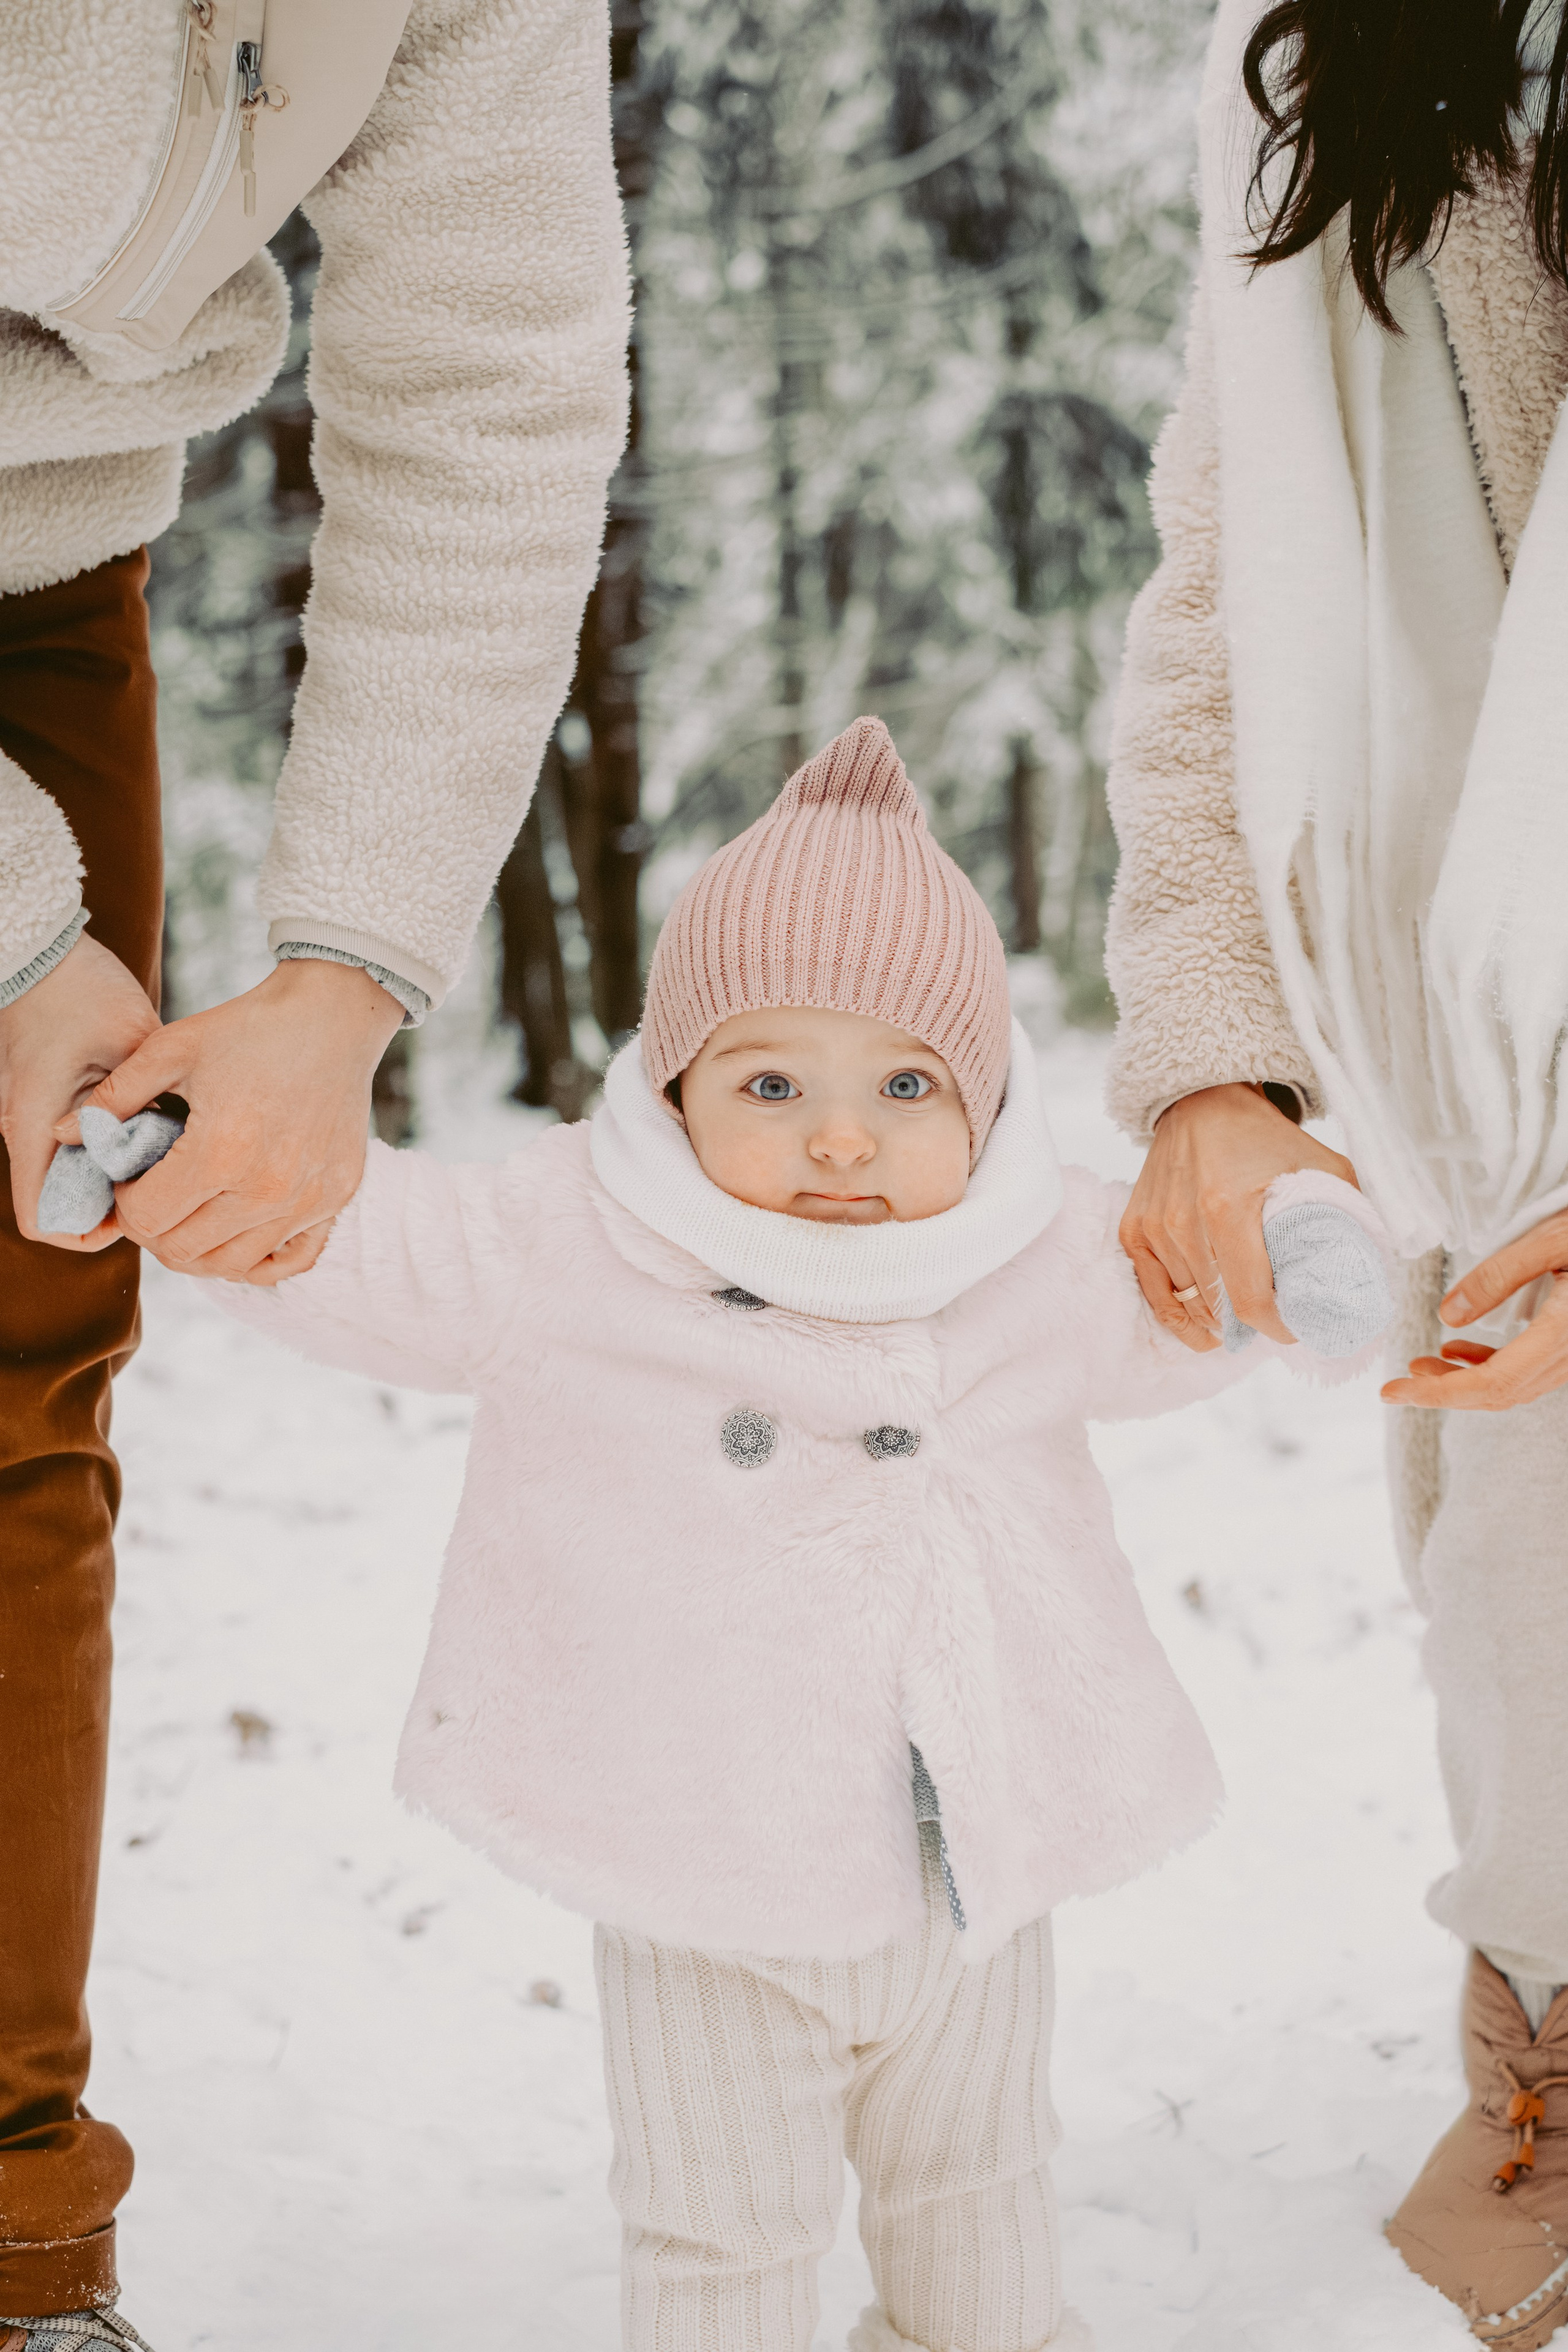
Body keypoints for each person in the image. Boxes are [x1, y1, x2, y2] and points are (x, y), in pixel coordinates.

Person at [197, 717, 1389, 2352]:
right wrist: (180, 1163)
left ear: (981, 1101)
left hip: (975, 1869)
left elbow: (1196, 1297)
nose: (842, 1139)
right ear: (678, 1088)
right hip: (703, 1877)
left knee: (978, 2201)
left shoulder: (1032, 1249)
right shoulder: (574, 1240)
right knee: (717, 2241)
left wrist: (1304, 1249)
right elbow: (348, 1237)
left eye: (908, 1086)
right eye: (773, 1083)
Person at [0, 1, 628, 2338]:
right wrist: (9, 940)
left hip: (41, 562)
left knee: (14, 1384)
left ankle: (8, 2240)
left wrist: (340, 980)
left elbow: (489, 383)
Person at [1102, 0, 1568, 2339]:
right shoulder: (1336, 61)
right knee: (1528, 1586)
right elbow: (1228, 598)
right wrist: (1215, 1053)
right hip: (1494, 1083)